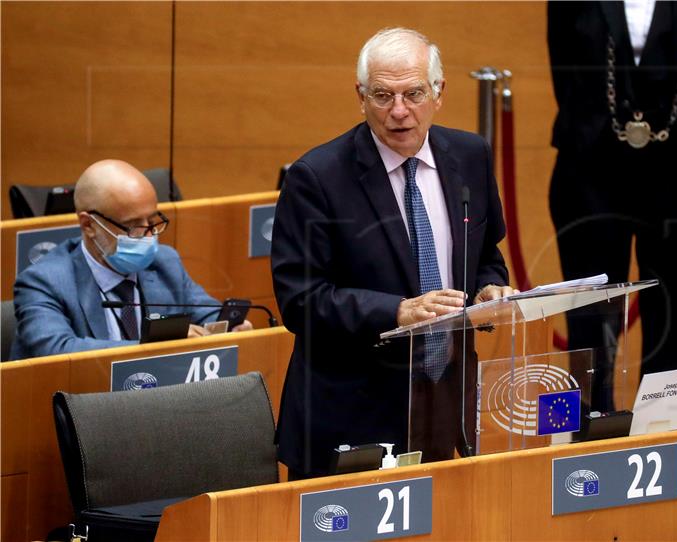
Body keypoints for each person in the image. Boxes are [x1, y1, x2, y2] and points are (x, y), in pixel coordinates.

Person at [271, 27, 514, 479]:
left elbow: (485, 255)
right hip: (353, 413)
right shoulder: (317, 178)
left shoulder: (471, 156)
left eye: (413, 94)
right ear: (360, 96)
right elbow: (300, 300)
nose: (399, 112)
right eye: (382, 96)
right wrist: (396, 311)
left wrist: (488, 288)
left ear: (438, 93)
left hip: (445, 402)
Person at [547, 1, 677, 410]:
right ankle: (581, 447)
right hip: (590, 168)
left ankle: (663, 444)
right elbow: (563, 59)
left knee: (675, 327)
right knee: (587, 325)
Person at [10, 159, 252, 360]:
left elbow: (207, 315)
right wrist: (151, 348)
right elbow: (57, 352)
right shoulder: (43, 281)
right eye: (131, 226)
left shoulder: (164, 263)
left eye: (152, 221)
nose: (148, 235)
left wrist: (229, 329)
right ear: (89, 225)